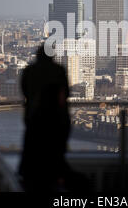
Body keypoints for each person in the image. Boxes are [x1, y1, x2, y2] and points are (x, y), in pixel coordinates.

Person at [19, 45, 88, 192]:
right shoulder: (59, 70)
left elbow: (25, 91)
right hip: (56, 121)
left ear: (37, 55)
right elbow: (66, 93)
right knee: (54, 156)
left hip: (35, 120)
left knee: (34, 155)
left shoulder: (29, 71)